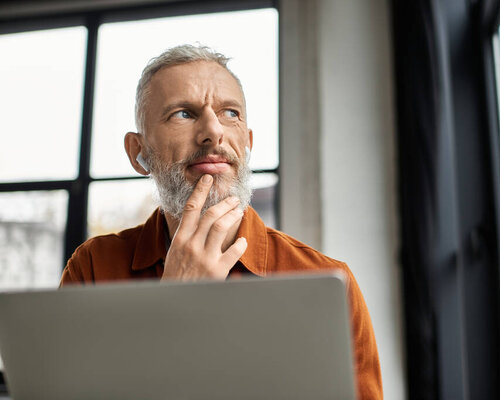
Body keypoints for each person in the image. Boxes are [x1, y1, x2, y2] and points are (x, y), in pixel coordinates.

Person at [60, 44, 382, 399]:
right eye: (183, 114)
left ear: (247, 144)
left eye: (230, 113)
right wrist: (171, 309)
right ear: (139, 153)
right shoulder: (92, 268)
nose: (213, 132)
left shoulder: (329, 282)